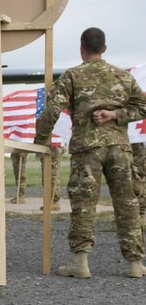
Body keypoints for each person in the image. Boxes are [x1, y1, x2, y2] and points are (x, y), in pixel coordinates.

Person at [34, 27, 146, 278]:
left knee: (84, 205)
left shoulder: (72, 76)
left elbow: (52, 110)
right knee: (128, 203)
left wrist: (40, 140)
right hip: (119, 148)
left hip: (87, 150)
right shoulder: (123, 77)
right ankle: (135, 263)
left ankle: (81, 263)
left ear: (81, 48)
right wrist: (115, 114)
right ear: (104, 49)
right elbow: (143, 107)